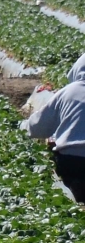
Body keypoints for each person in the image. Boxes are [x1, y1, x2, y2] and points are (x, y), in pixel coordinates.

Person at [22, 52, 85, 203]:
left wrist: (23, 126)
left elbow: (38, 127)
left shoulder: (70, 91)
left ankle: (75, 189)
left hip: (71, 160)